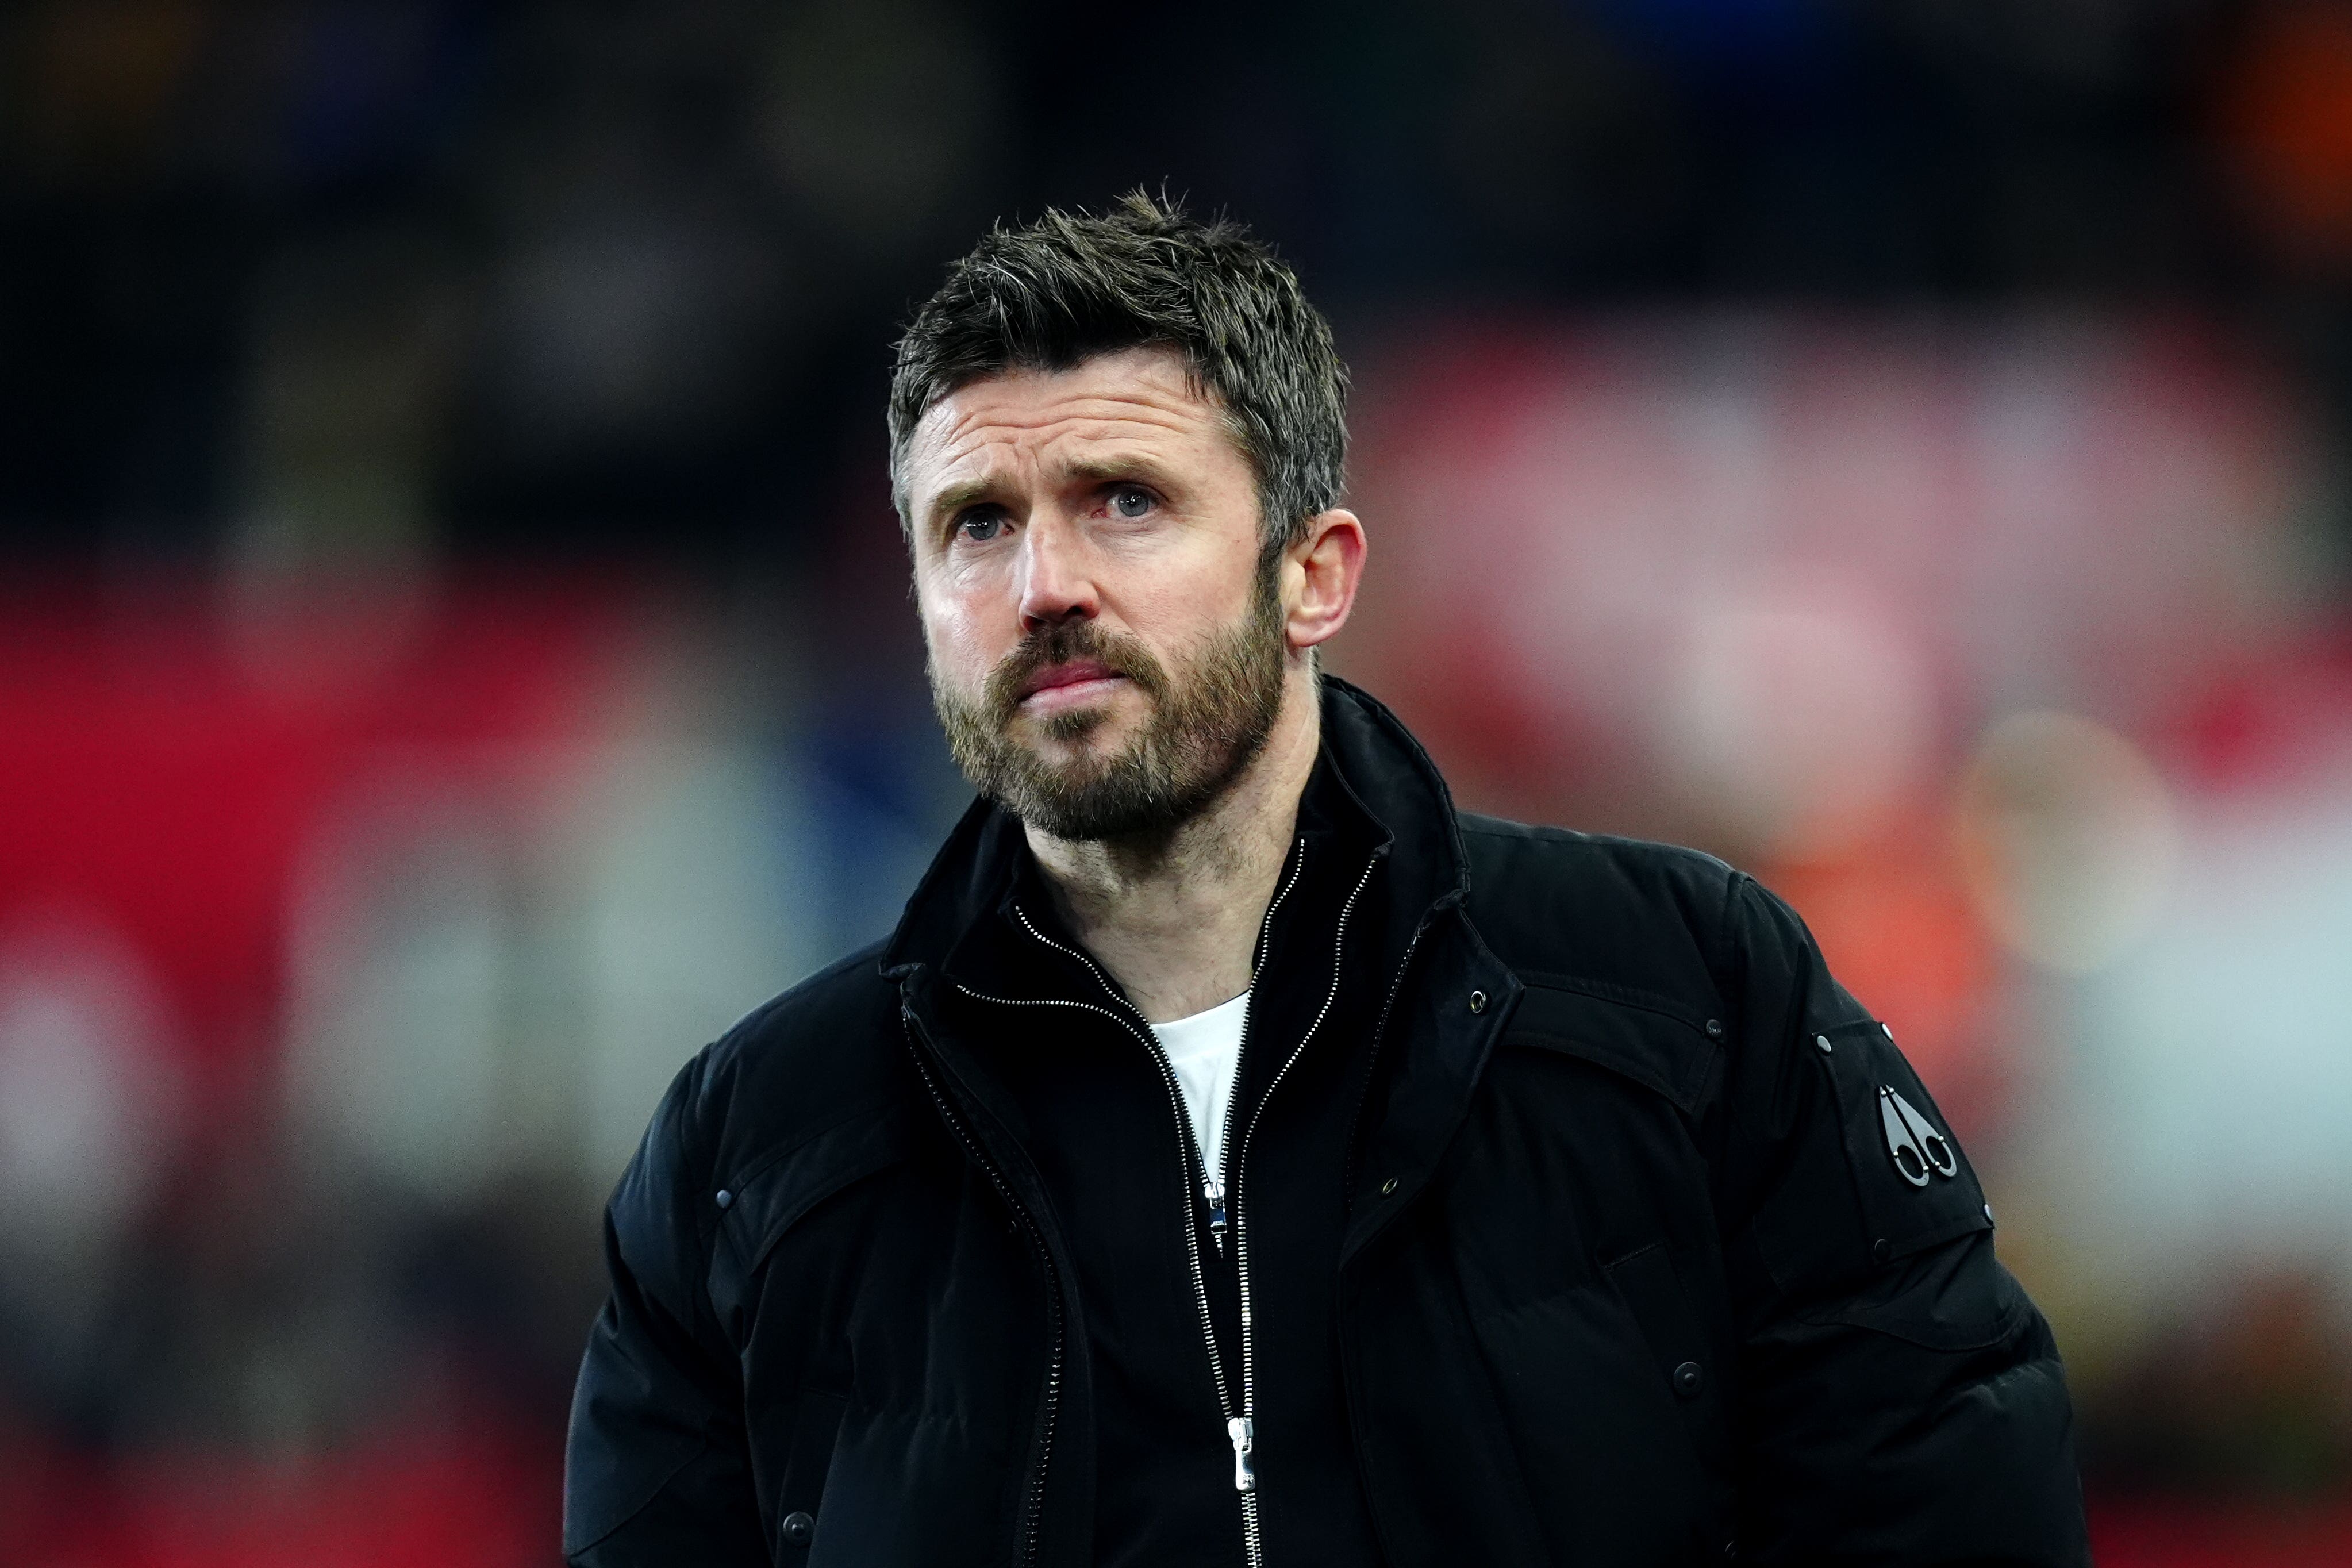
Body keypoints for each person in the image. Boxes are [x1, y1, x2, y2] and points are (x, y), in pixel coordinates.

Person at [563, 192, 2089, 1568]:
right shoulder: (752, 1150)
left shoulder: (1687, 998)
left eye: (1125, 501)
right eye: (976, 526)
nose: (1045, 588)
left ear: (1315, 573)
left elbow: (1948, 1503)